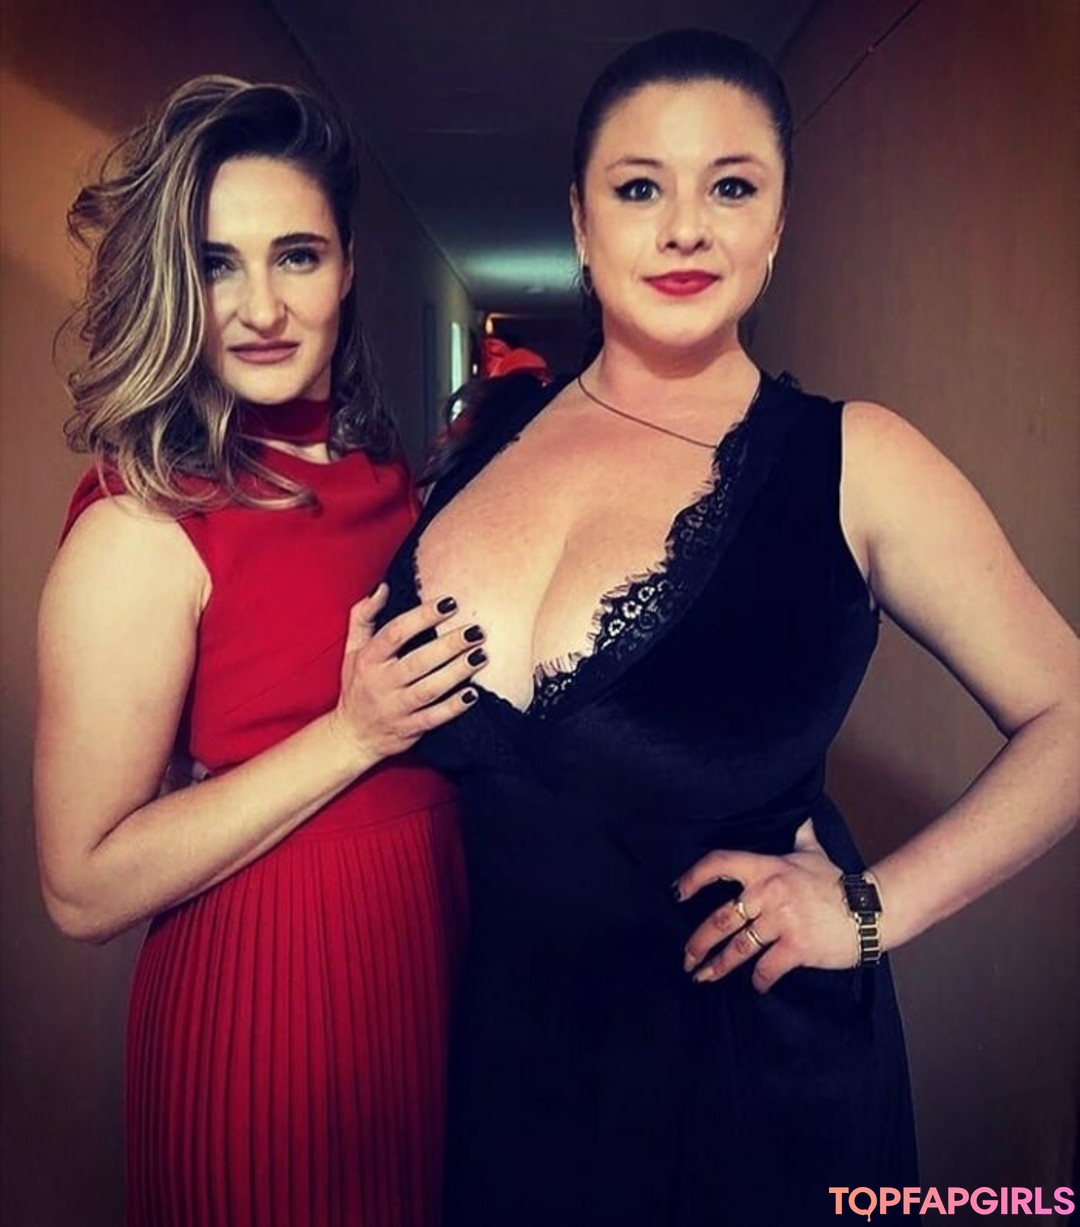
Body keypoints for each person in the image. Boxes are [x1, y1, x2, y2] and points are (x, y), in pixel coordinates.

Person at [375, 29, 1080, 1226]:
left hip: (751, 1104)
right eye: (640, 188)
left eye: (733, 187)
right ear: (581, 221)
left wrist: (870, 911)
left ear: (779, 225)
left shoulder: (855, 462)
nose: (687, 229)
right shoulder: (488, 445)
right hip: (512, 1085)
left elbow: (1068, 713)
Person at [34, 76, 486, 1227]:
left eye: (295, 255)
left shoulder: (381, 477)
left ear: (347, 268)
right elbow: (80, 887)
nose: (261, 306)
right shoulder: (142, 522)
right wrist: (350, 737)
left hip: (418, 988)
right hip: (266, 1012)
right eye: (216, 264)